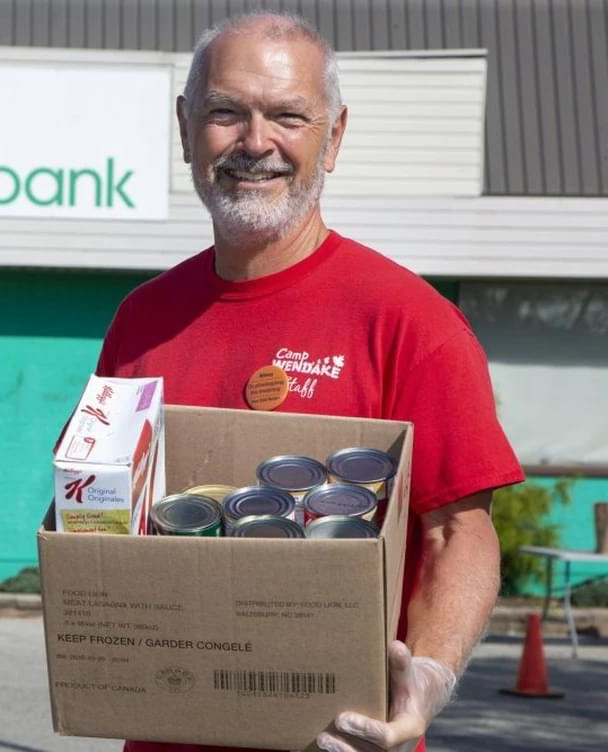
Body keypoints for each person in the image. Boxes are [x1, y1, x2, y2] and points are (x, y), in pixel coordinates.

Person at [95, 12, 525, 752]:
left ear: (335, 134)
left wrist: (428, 676)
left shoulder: (409, 322)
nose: (255, 143)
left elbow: (460, 531)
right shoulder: (143, 319)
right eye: (226, 111)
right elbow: (98, 498)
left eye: (288, 115)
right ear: (185, 126)